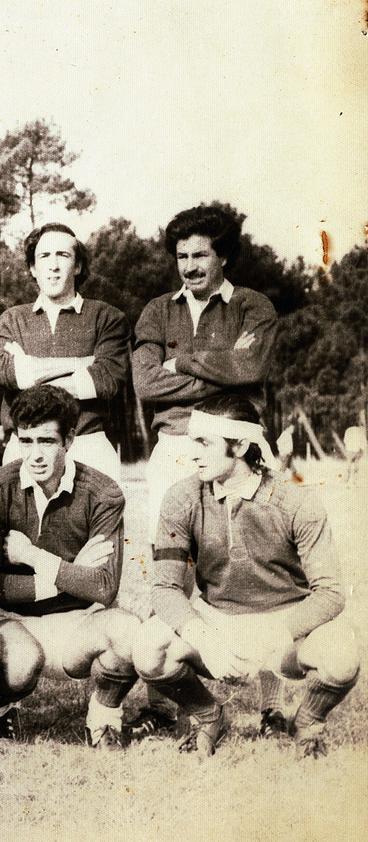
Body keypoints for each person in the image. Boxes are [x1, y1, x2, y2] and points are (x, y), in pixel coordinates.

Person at [132, 395, 358, 758]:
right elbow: (164, 587)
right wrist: (203, 636)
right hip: (218, 621)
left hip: (284, 629)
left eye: (204, 442)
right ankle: (208, 716)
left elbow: (331, 592)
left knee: (343, 653)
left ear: (239, 445)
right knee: (147, 646)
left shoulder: (296, 502)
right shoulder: (181, 498)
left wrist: (277, 633)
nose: (193, 453)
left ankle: (308, 722)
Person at [131, 204, 282, 738]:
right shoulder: (156, 312)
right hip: (174, 446)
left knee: (259, 565)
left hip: (237, 444)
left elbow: (252, 368)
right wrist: (217, 367)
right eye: (181, 256)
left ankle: (273, 708)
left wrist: (184, 361)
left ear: (223, 257)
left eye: (200, 255)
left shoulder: (252, 306)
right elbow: (147, 385)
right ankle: (163, 702)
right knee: (168, 569)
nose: (190, 266)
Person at [0, 385, 139, 749]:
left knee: (130, 633)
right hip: (10, 617)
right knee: (20, 662)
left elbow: (103, 587)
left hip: (75, 619)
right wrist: (69, 572)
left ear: (69, 439)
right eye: (26, 441)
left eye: (47, 441)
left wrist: (33, 557)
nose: (35, 455)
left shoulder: (103, 492)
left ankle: (103, 717)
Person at [0, 224, 130, 480]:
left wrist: (29, 371)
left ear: (77, 266)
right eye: (44, 256)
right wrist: (82, 364)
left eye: (62, 255)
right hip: (24, 445)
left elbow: (107, 379)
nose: (53, 266)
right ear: (32, 268)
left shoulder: (107, 317)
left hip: (88, 445)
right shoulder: (11, 319)